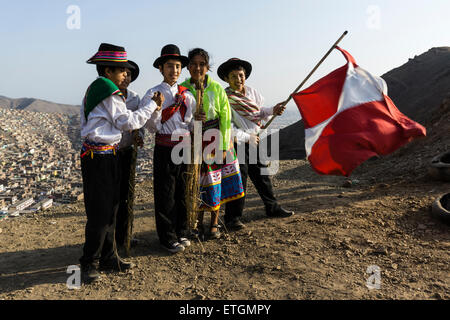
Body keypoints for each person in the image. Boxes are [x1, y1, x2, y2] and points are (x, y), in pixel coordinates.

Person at [80, 43, 164, 283]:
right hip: (99, 158)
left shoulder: (100, 88)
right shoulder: (107, 90)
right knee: (100, 212)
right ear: (107, 71)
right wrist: (152, 105)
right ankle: (89, 262)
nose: (126, 74)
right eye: (121, 70)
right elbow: (127, 122)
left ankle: (108, 256)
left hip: (107, 155)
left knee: (111, 208)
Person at [217, 58, 295, 231]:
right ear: (227, 79)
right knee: (239, 178)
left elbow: (259, 112)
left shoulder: (253, 92)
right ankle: (232, 218)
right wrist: (247, 137)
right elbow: (227, 126)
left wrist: (273, 110)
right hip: (237, 143)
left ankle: (272, 207)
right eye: (234, 76)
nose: (238, 79)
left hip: (255, 140)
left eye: (241, 75)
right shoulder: (225, 98)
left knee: (262, 175)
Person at [181, 49, 245, 240]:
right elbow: (181, 116)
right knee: (198, 182)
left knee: (217, 181)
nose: (198, 68)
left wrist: (225, 146)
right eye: (193, 63)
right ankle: (198, 223)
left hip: (217, 138)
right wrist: (193, 118)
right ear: (188, 66)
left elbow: (225, 116)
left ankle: (214, 222)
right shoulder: (183, 89)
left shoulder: (216, 89)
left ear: (207, 67)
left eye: (202, 64)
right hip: (195, 140)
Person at [141, 44, 196, 253]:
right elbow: (152, 126)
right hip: (164, 147)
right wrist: (156, 109)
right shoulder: (153, 93)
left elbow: (190, 123)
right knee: (166, 193)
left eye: (178, 67)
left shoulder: (187, 95)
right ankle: (167, 237)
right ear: (161, 69)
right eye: (170, 66)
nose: (174, 71)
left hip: (184, 146)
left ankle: (182, 230)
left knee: (182, 191)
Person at [115, 60, 145, 253]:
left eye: (129, 74)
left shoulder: (135, 98)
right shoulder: (108, 97)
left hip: (127, 152)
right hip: (110, 152)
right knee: (112, 197)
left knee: (127, 195)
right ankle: (111, 239)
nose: (126, 77)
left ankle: (125, 235)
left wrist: (139, 135)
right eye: (123, 73)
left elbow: (139, 123)